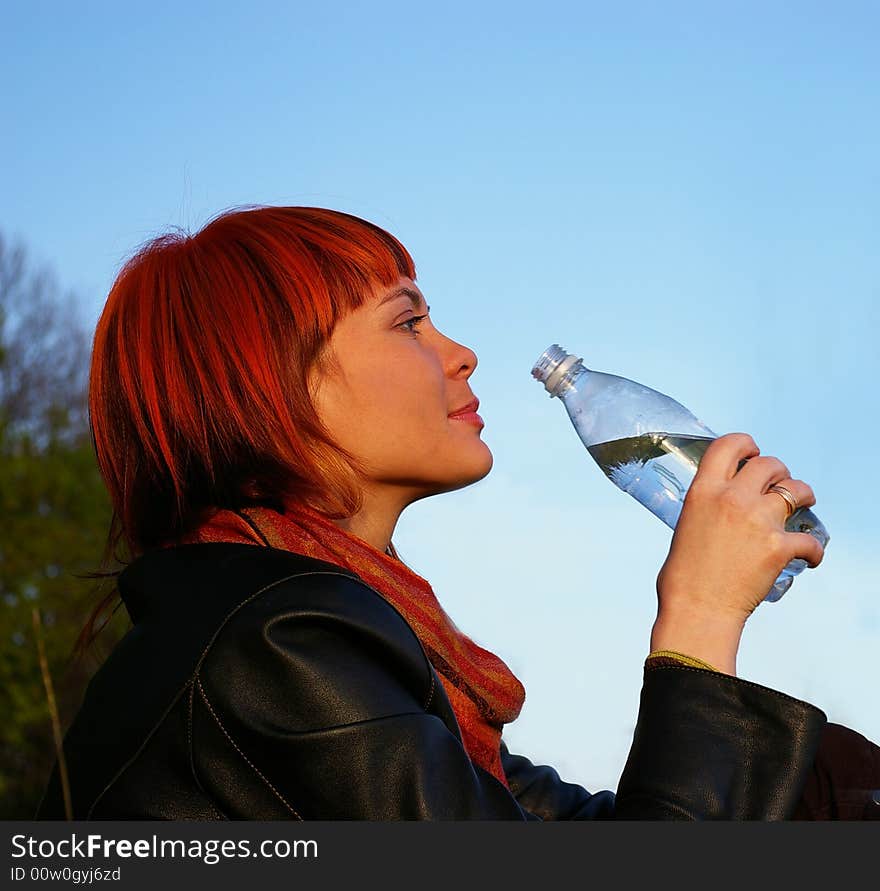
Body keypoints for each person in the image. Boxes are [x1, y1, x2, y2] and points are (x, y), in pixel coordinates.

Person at [36, 206, 879, 820]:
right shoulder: (272, 647)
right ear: (275, 386)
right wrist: (698, 612)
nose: (461, 352)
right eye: (409, 321)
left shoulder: (345, 635)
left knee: (823, 782)